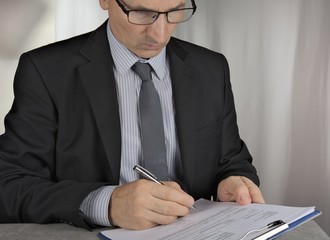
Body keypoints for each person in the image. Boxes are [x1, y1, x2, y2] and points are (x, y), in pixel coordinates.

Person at [0, 0, 264, 230]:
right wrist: (107, 204)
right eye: (141, 12)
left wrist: (232, 181)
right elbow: (9, 185)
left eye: (174, 11)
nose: (159, 35)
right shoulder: (46, 71)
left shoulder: (211, 68)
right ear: (105, 1)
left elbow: (231, 159)